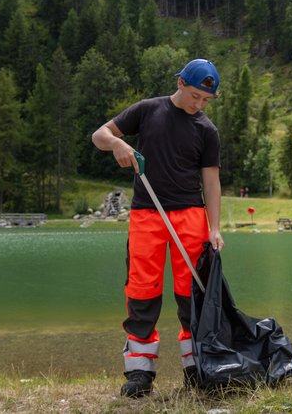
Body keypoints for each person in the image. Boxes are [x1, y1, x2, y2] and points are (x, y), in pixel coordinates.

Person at [91, 58, 224, 397]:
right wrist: (119, 143)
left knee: (191, 295)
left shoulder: (206, 130)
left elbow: (211, 183)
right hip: (147, 216)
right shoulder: (148, 110)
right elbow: (99, 135)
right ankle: (139, 373)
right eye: (196, 96)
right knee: (142, 292)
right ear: (180, 83)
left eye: (206, 100)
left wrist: (215, 228)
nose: (199, 105)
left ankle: (196, 367)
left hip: (191, 218)